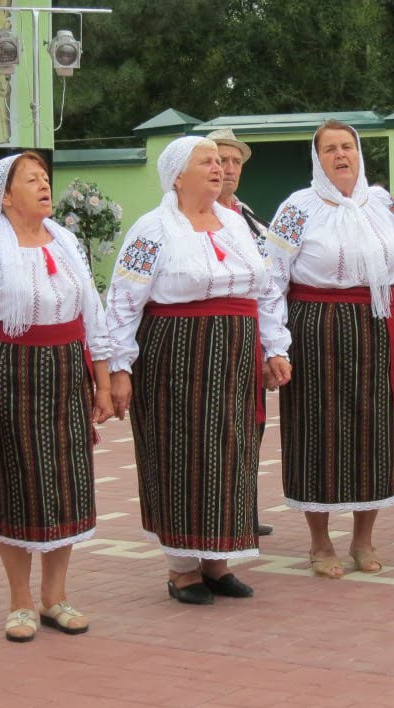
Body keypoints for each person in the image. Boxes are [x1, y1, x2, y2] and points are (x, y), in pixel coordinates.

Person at [106, 136, 279, 605]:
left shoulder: (237, 224)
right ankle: (182, 569)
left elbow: (266, 289)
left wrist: (274, 348)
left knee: (231, 452)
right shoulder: (152, 229)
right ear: (178, 176)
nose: (218, 168)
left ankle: (218, 562)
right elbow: (122, 301)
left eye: (220, 161)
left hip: (236, 355)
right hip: (176, 353)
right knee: (179, 452)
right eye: (206, 162)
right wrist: (119, 367)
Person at [0, 152, 114, 641]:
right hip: (12, 373)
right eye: (32, 180)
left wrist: (102, 381)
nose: (44, 185)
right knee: (17, 483)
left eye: (45, 178)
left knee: (68, 483)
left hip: (67, 371)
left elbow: (93, 313)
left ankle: (55, 596)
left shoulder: (66, 241)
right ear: (5, 197)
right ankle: (20, 601)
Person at [264, 120, 394, 578]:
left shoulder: (382, 202)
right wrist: (275, 344)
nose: (341, 155)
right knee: (318, 430)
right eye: (330, 149)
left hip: (378, 325)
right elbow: (272, 277)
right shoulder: (297, 208)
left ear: (359, 153)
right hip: (318, 328)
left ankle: (363, 540)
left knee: (375, 431)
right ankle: (320, 542)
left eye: (348, 147)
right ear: (317, 159)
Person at [205, 127, 274, 538]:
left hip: (251, 334)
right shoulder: (190, 216)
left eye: (234, 162)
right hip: (210, 335)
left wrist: (273, 346)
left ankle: (244, 508)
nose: (228, 168)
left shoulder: (249, 217)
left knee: (252, 425)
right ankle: (220, 513)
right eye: (220, 160)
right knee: (217, 426)